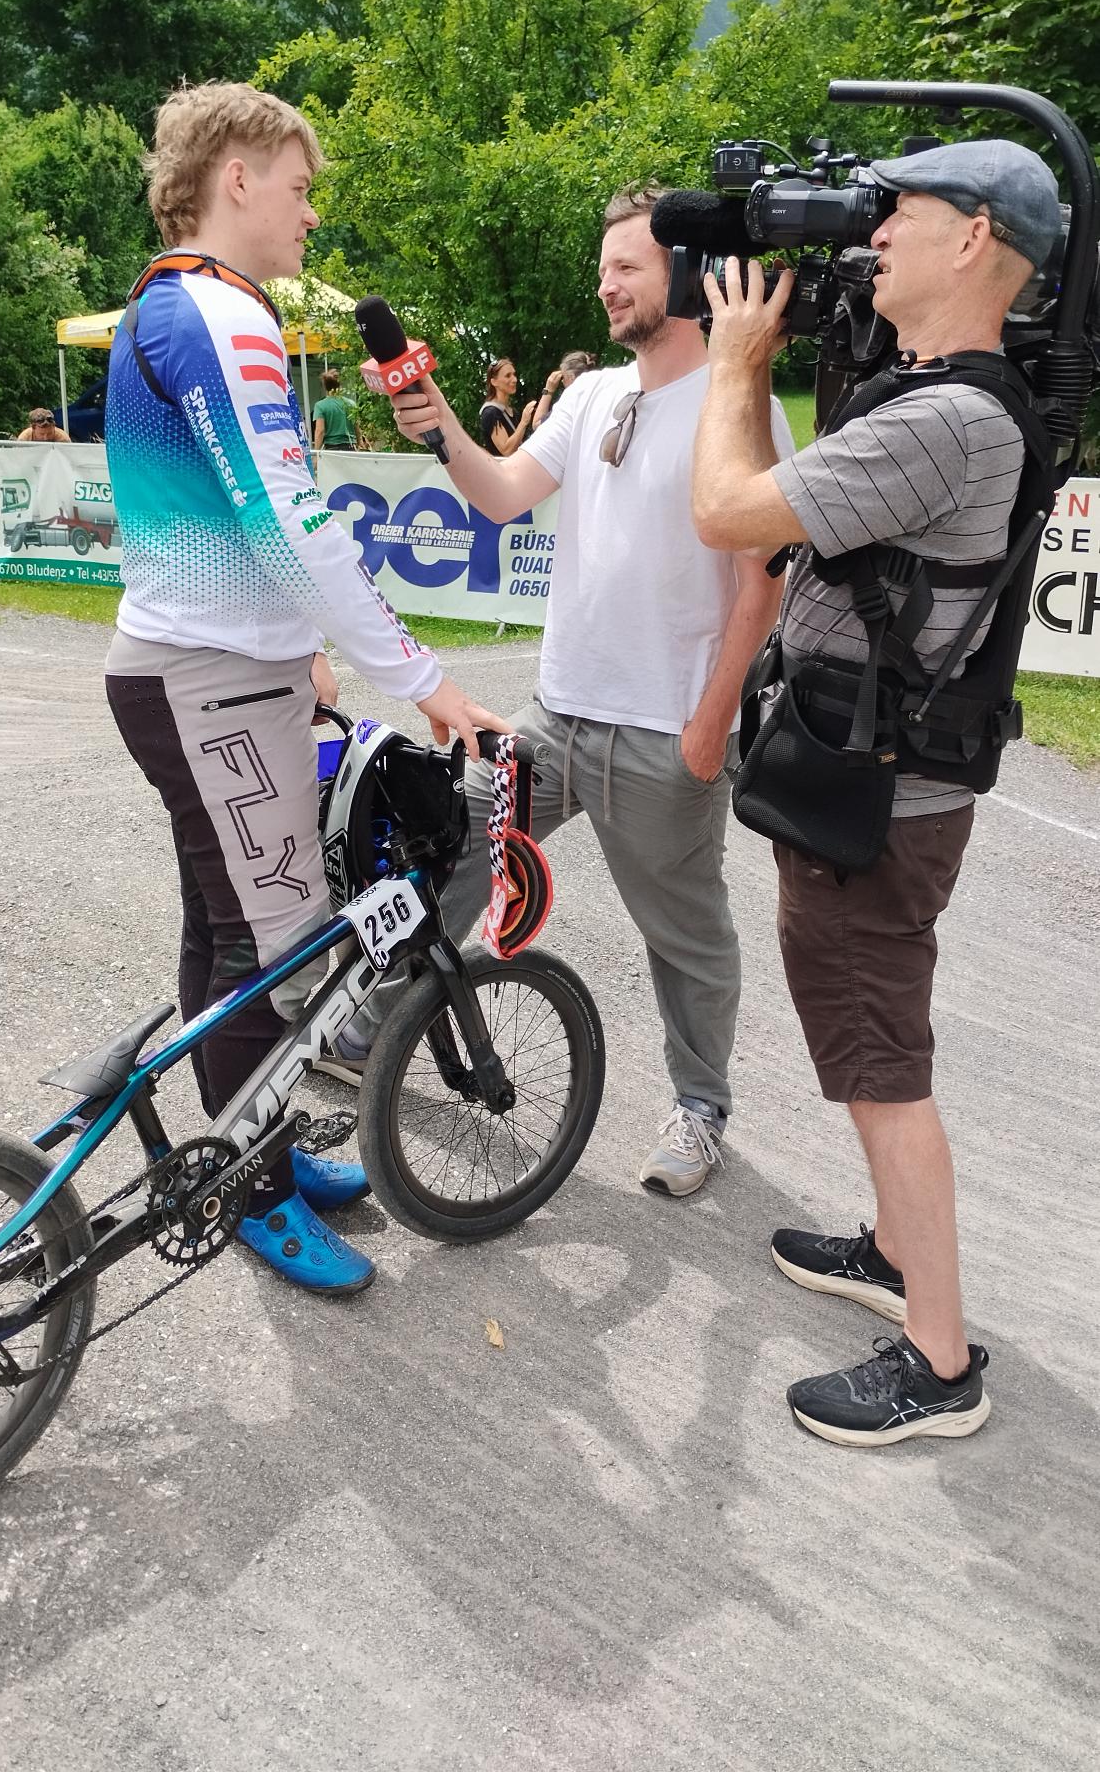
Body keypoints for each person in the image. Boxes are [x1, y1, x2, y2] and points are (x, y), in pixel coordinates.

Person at [102, 80, 502, 1299]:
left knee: (227, 928)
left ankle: (251, 1141)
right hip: (206, 681)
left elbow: (247, 516)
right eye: (299, 184)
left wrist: (300, 650)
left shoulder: (184, 303)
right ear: (236, 177)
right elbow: (293, 521)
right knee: (266, 945)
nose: (311, 212)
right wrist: (423, 681)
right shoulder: (219, 313)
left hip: (209, 669)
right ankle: (249, 1185)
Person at [690, 138, 1063, 1444]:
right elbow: (775, 512)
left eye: (903, 209)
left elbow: (724, 512)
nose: (875, 230)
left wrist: (731, 363)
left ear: (975, 237)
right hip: (873, 777)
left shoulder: (946, 422)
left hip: (874, 801)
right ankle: (897, 1254)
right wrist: (759, 367)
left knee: (881, 1062)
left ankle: (938, 1362)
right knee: (866, 1041)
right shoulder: (942, 399)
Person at [346, 182, 793, 1197]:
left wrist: (709, 727)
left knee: (684, 934)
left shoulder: (741, 406)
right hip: (553, 717)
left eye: (627, 266)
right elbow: (503, 494)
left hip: (663, 733)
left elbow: (758, 588)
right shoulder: (593, 396)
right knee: (449, 837)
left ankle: (700, 1108)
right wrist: (438, 423)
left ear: (687, 275)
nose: (605, 285)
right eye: (603, 268)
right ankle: (371, 1024)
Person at [478, 358, 544, 455]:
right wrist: (523, 422)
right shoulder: (491, 413)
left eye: (514, 375)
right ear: (494, 382)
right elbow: (506, 450)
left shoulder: (512, 411)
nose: (514, 380)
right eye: (508, 376)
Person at [532, 349, 598, 429]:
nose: (562, 381)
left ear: (571, 377)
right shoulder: (598, 396)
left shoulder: (570, 403)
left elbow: (537, 425)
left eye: (563, 376)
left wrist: (548, 390)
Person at [311, 367, 356, 451]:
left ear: (325, 387)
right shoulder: (351, 404)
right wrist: (360, 442)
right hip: (350, 447)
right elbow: (357, 427)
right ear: (340, 385)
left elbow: (320, 431)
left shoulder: (320, 406)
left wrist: (316, 452)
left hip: (331, 448)